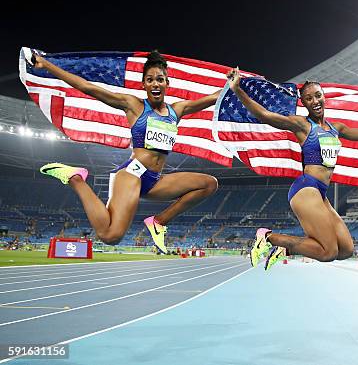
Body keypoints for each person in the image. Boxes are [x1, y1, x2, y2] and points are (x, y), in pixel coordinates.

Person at [226, 68, 358, 270]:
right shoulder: (302, 125)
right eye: (309, 98)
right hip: (306, 188)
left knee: (345, 250)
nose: (315, 101)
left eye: (318, 95)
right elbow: (264, 115)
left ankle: (285, 249)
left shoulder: (337, 129)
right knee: (328, 252)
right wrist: (237, 89)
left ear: (323, 96)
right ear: (304, 103)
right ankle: (267, 236)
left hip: (321, 193)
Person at [31, 50, 220, 253]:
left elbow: (214, 97)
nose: (155, 83)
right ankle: (76, 179)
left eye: (160, 79)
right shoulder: (134, 106)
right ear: (144, 85)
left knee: (209, 184)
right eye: (150, 80)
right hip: (133, 173)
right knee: (110, 236)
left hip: (155, 180)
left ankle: (159, 222)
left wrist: (238, 84)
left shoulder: (178, 110)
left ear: (167, 83)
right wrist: (47, 65)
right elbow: (87, 87)